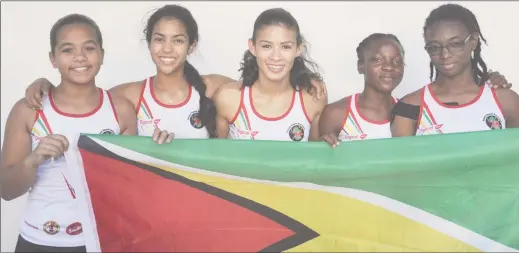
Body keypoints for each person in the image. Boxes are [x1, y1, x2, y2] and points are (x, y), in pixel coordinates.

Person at [22, 5, 326, 143]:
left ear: (191, 45)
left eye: (178, 40)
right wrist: (47, 84)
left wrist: (303, 80)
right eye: (159, 39)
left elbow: (265, 86)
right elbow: (85, 98)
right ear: (149, 43)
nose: (167, 49)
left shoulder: (216, 89)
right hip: (148, 216)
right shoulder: (127, 96)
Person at [0, 14, 137, 252]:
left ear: (102, 54)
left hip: (101, 240)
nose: (80, 57)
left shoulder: (121, 110)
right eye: (67, 50)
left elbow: (130, 186)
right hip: (39, 241)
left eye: (89, 48)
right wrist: (32, 161)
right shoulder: (29, 110)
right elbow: (6, 191)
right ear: (53, 59)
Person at [319, 32, 511, 147]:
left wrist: (486, 81)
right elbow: (321, 170)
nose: (389, 67)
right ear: (361, 66)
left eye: (397, 61)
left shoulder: (411, 112)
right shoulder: (337, 113)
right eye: (377, 60)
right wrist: (323, 148)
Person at [391, 3, 519, 136]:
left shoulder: (506, 101)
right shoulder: (410, 107)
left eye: (455, 44)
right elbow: (403, 156)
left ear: (473, 41)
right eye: (434, 47)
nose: (445, 55)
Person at [213, 8, 327, 141]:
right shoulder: (228, 98)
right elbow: (215, 157)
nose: (276, 57)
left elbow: (315, 157)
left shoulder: (313, 98)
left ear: (298, 49)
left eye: (286, 47)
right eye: (267, 46)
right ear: (253, 47)